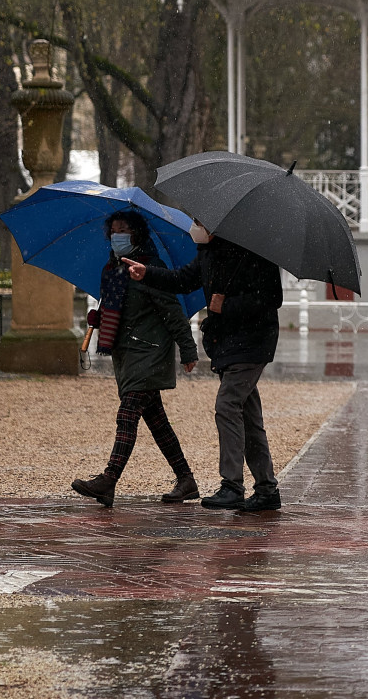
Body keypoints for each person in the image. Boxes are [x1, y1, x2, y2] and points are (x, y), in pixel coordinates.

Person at [122, 219, 284, 512]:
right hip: (226, 342)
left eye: (199, 221)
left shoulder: (255, 252)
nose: (195, 226)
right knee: (248, 417)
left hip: (253, 342)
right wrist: (147, 274)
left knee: (227, 405)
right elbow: (183, 280)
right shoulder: (209, 251)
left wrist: (228, 305)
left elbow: (272, 298)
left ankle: (232, 486)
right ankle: (266, 489)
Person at [72, 210, 200, 508]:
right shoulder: (112, 270)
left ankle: (108, 479)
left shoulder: (150, 268)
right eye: (114, 230)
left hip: (151, 351)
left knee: (128, 413)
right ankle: (186, 479)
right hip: (127, 353)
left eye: (124, 230)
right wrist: (99, 317)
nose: (117, 236)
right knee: (157, 421)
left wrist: (189, 350)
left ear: (137, 234)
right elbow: (121, 308)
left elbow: (172, 311)